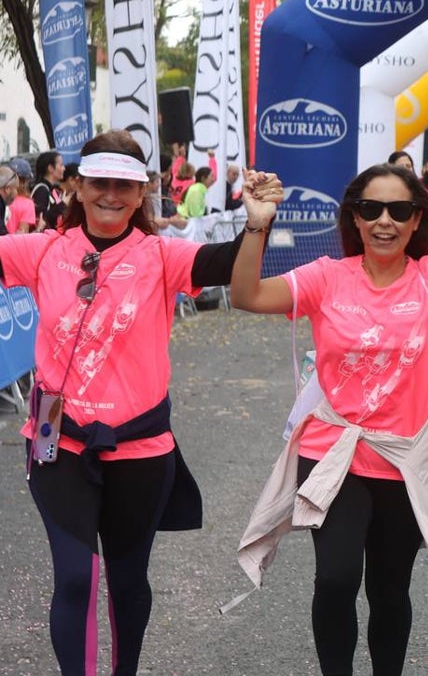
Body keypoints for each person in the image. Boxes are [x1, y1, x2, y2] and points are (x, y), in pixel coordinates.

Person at [230, 135, 428, 675]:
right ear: (355, 219)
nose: (384, 221)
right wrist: (256, 224)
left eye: (399, 210)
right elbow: (246, 295)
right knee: (336, 578)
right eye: (371, 209)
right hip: (332, 452)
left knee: (390, 589)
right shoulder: (325, 277)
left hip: (405, 460)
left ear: (418, 221)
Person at [7, 129, 266, 676]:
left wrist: (257, 222)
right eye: (99, 181)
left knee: (127, 580)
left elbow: (227, 265)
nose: (111, 194)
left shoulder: (160, 255)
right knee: (76, 576)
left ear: (142, 191)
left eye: (125, 185)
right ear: (76, 186)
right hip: (59, 446)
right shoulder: (45, 250)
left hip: (142, 451)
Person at [31, 150, 66, 230]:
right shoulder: (41, 190)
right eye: (61, 165)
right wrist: (62, 205)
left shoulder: (54, 190)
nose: (64, 168)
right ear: (50, 168)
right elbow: (41, 218)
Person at [6, 157, 37, 233]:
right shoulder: (28, 204)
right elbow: (22, 235)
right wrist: (38, 229)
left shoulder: (2, 199)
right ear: (26, 181)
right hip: (10, 244)